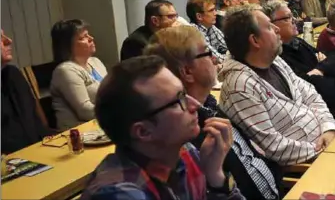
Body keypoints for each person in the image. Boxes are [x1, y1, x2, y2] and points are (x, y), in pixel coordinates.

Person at [145, 26, 281, 200]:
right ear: (187, 71)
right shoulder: (187, 134)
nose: (215, 58)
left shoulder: (210, 104)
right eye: (207, 53)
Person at [79, 56, 242, 200]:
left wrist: (215, 175)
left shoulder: (186, 154)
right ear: (143, 132)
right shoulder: (118, 193)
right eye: (178, 101)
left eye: (184, 93)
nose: (195, 105)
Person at [218, 6, 335, 165]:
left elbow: (311, 96)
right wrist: (322, 150)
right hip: (308, 165)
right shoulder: (240, 86)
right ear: (255, 40)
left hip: (327, 142)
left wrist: (329, 129)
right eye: (269, 26)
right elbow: (272, 147)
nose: (277, 29)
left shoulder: (275, 61)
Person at [262, 0, 335, 127]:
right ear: (272, 25)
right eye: (288, 18)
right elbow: (309, 84)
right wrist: (324, 71)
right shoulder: (276, 57)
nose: (295, 20)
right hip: (326, 122)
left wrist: (319, 70)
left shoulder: (297, 42)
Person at [1, 30, 54, 154]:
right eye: (0, 38)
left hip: (37, 154)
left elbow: (35, 122)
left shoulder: (11, 75)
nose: (8, 41)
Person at [50, 19, 108, 131]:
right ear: (67, 46)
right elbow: (85, 111)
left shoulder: (95, 62)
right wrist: (119, 110)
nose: (91, 38)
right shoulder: (65, 71)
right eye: (83, 37)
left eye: (89, 35)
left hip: (100, 127)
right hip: (77, 135)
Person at [187, 0, 227, 64]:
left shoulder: (210, 26)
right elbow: (219, 59)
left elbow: (227, 47)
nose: (215, 13)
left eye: (215, 9)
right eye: (211, 11)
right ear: (199, 16)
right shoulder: (194, 33)